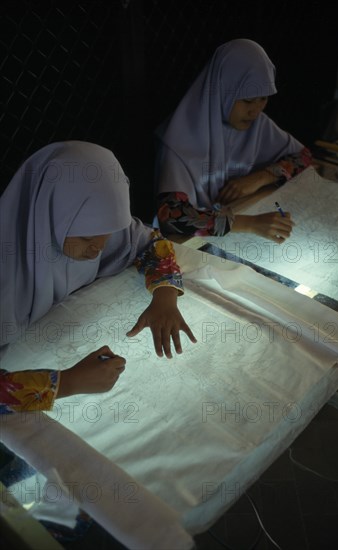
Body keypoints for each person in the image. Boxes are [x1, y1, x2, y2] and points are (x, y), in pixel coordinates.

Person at [0, 141, 197, 414]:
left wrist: (165, 296)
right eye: (88, 237)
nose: (99, 248)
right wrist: (67, 383)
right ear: (50, 213)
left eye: (108, 233)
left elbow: (151, 242)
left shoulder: (92, 230)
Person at [155, 39, 312, 242]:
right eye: (247, 100)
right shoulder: (180, 136)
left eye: (263, 99)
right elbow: (172, 216)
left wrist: (261, 177)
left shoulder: (257, 125)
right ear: (221, 90)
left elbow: (304, 157)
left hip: (236, 221)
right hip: (187, 242)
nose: (255, 110)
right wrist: (250, 224)